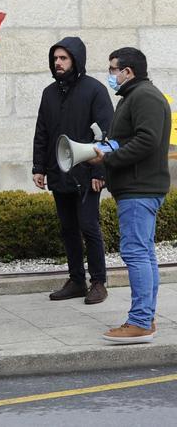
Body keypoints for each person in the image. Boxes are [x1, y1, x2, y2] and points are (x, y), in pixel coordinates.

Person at [92, 47, 171, 344]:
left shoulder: (144, 97)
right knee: (144, 253)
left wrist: (107, 159)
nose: (110, 74)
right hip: (138, 187)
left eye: (113, 69)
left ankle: (139, 322)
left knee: (136, 252)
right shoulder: (136, 96)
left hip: (139, 188)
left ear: (128, 71)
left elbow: (147, 140)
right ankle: (145, 317)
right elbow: (133, 139)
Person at [32, 38, 113, 305]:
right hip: (59, 172)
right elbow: (42, 132)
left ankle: (99, 282)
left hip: (87, 175)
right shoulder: (49, 93)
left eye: (63, 58)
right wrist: (39, 167)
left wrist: (100, 172)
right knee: (68, 229)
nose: (58, 63)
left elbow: (107, 134)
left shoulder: (95, 90)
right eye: (55, 58)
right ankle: (77, 280)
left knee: (89, 226)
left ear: (76, 60)